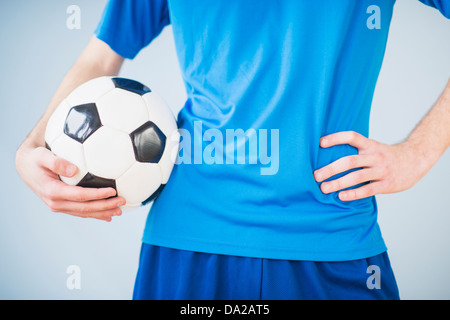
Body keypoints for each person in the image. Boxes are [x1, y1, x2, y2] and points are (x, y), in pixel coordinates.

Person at [15, 0, 449, 300]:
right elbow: (100, 58)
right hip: (189, 243)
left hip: (329, 238)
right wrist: (31, 149)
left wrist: (419, 153)